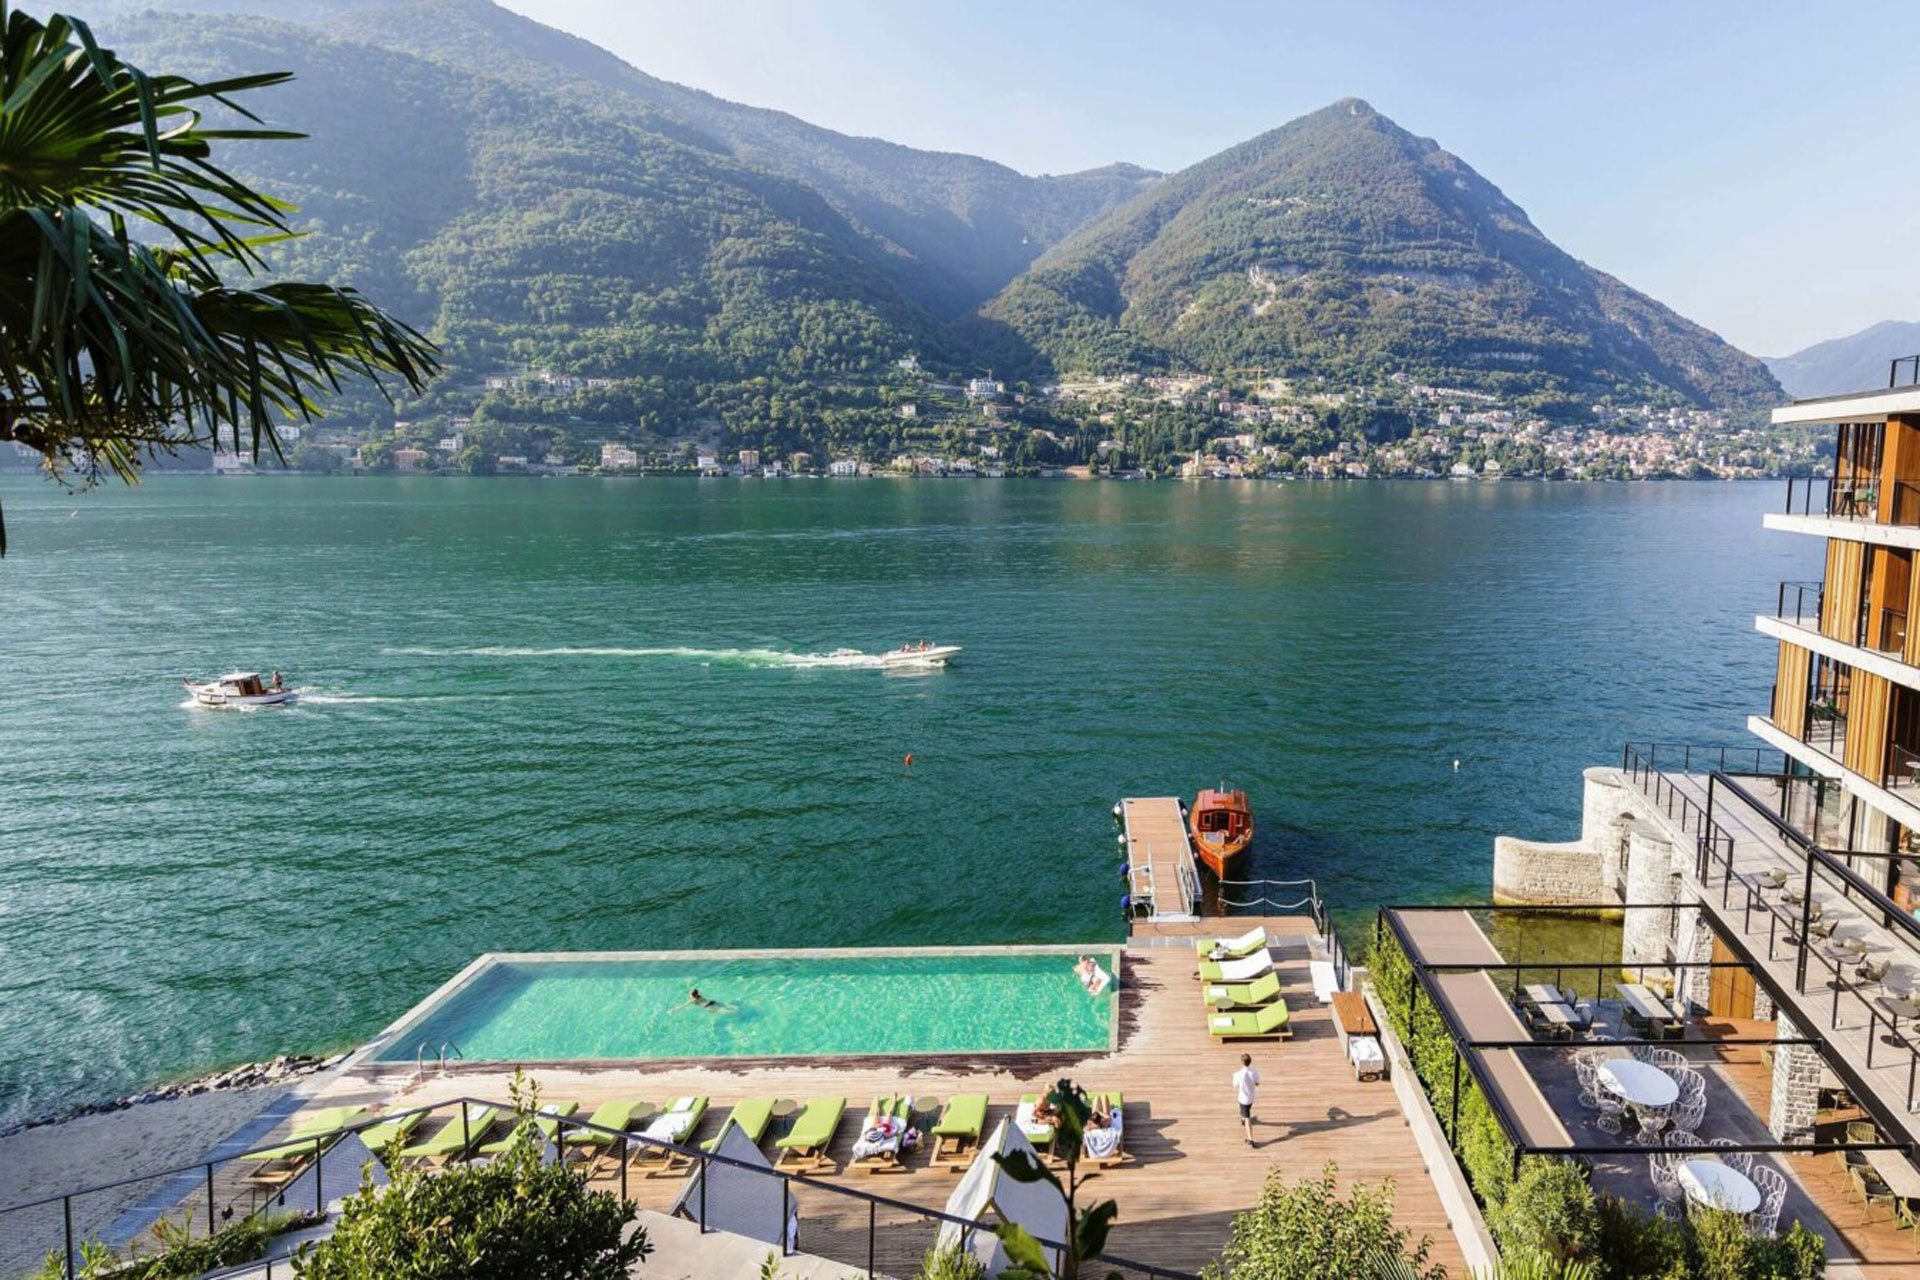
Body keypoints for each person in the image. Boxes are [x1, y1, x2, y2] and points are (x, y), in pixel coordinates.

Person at [1232, 1052, 1260, 1146]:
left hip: (1243, 1098)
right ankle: (1243, 1118)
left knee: (1247, 1116)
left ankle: (1250, 1138)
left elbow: (1235, 1084)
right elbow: (1257, 1083)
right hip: (1251, 1097)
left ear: (1242, 1062)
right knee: (1245, 1110)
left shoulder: (1238, 1074)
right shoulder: (1254, 1073)